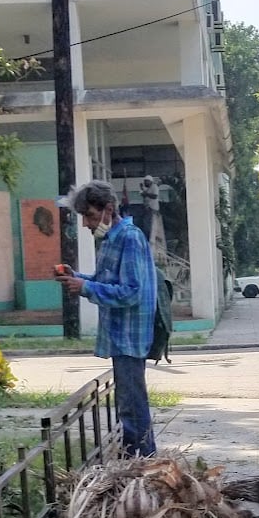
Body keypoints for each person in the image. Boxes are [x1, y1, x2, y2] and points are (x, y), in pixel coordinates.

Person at [55, 179, 158, 457]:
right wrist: (77, 278)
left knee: (133, 407)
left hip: (129, 335)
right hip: (119, 335)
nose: (87, 224)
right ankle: (139, 462)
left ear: (108, 209)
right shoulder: (111, 239)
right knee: (128, 405)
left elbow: (132, 292)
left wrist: (86, 288)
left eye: (89, 215)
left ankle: (143, 464)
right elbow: (105, 282)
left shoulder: (129, 237)